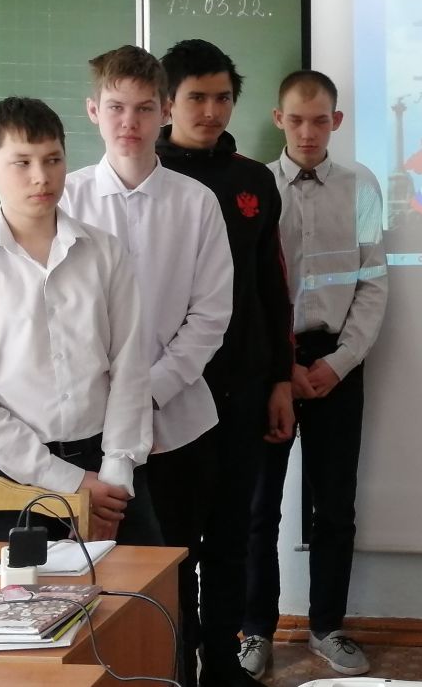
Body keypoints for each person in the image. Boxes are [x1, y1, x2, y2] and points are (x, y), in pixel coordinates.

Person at [60, 45, 235, 675]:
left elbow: (210, 316)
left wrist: (146, 393)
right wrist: (110, 404)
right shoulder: (65, 200)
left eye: (142, 108)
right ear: (93, 111)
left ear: (164, 112)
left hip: (178, 423)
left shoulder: (196, 202)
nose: (128, 122)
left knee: (176, 570)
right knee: (94, 575)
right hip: (87, 432)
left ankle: (180, 675)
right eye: (115, 108)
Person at [0, 97, 157, 545]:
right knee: (28, 591)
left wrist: (113, 476)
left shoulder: (105, 253)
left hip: (107, 461)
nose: (42, 176)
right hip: (11, 473)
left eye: (53, 159)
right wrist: (69, 482)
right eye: (22, 162)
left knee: (145, 586)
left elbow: (130, 365)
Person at [155, 39, 296, 687]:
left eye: (222, 97)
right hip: (172, 394)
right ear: (167, 102)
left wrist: (280, 380)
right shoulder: (149, 178)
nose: (211, 111)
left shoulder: (253, 180)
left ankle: (223, 665)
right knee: (176, 545)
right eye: (196, 98)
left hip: (244, 391)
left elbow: (273, 288)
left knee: (234, 537)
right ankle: (179, 665)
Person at [239, 71, 387, 678]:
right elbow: (245, 288)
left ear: (336, 122)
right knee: (258, 508)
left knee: (335, 507)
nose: (307, 132)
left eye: (320, 120)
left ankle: (328, 627)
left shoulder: (362, 187)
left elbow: (373, 281)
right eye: (296, 120)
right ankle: (254, 630)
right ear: (279, 119)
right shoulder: (253, 187)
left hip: (336, 363)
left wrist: (338, 362)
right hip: (269, 365)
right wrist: (282, 366)